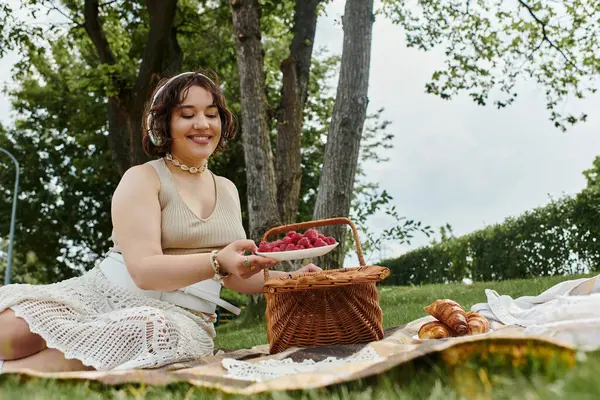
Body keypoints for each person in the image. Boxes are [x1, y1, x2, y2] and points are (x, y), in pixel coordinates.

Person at [0, 70, 321, 373]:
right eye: (187, 114)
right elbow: (143, 271)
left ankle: (13, 374)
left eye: (211, 114)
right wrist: (216, 262)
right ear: (163, 123)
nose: (202, 124)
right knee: (9, 331)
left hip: (179, 319)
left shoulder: (227, 189)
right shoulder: (142, 178)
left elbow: (235, 275)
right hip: (104, 294)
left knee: (147, 328)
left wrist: (291, 279)